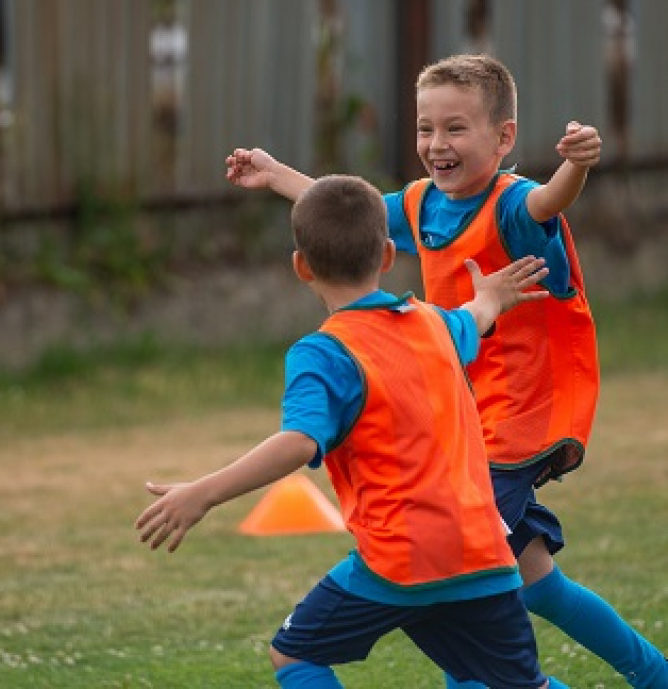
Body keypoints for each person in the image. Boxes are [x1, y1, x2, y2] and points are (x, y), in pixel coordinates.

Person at [225, 54, 668, 689]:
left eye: (456, 129)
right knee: (537, 586)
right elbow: (346, 214)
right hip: (466, 423)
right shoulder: (419, 204)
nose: (437, 144)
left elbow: (549, 200)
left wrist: (576, 164)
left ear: (504, 138)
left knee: (457, 585)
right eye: (426, 129)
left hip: (523, 421)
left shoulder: (512, 205)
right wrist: (274, 176)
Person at [137, 174, 566, 688]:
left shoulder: (324, 353)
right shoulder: (431, 323)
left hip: (398, 559)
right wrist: (492, 296)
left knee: (293, 657)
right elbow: (472, 318)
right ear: (388, 255)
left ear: (300, 267)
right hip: (484, 552)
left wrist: (202, 493)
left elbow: (298, 442)